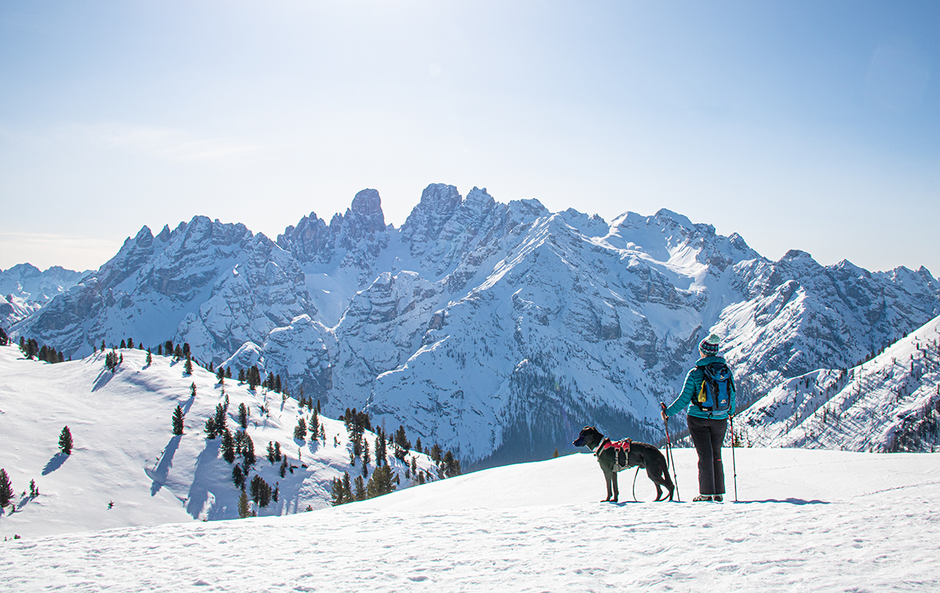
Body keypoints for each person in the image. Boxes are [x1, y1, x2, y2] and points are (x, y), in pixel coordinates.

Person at [661, 333, 736, 502]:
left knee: (704, 455)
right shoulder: (726, 371)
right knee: (717, 453)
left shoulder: (695, 374)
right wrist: (729, 413)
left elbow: (684, 399)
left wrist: (668, 413)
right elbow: (732, 393)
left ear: (703, 352)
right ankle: (718, 493)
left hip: (698, 419)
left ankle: (706, 493)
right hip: (720, 419)